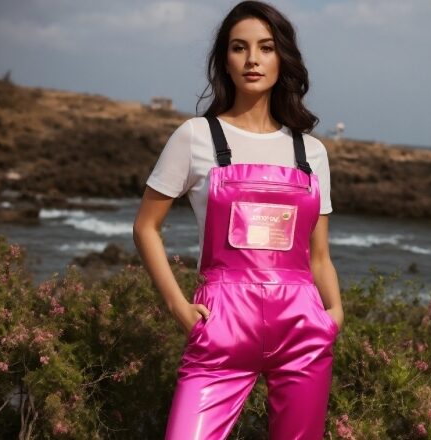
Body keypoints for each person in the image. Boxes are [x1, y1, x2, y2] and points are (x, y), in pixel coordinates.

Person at [132, 1, 344, 438]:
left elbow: (318, 256)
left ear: (281, 58)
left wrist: (334, 314)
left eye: (265, 47)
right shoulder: (195, 136)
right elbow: (145, 227)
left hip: (302, 327)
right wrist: (179, 309)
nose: (252, 59)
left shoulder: (312, 152)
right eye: (239, 48)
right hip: (221, 325)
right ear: (224, 60)